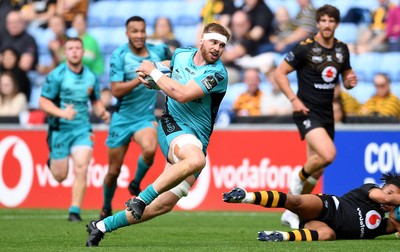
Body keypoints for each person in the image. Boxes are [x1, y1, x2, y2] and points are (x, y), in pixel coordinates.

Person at [85, 22, 230, 247]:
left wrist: (153, 72)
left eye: (222, 45)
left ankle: (101, 226)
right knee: (196, 159)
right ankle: (142, 197)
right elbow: (168, 66)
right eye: (213, 42)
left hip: (196, 139)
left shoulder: (218, 74)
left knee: (162, 206)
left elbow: (181, 94)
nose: (217, 48)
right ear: (201, 40)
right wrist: (150, 70)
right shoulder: (181, 54)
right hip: (172, 125)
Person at [273, 5, 358, 229]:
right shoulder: (305, 48)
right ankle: (297, 178)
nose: (327, 25)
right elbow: (279, 73)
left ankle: (293, 210)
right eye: (323, 21)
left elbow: (346, 75)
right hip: (306, 111)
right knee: (328, 154)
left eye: (331, 21)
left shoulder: (342, 49)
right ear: (318, 23)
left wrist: (349, 81)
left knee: (318, 169)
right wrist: (294, 99)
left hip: (327, 113)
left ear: (336, 24)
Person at [99, 16, 171, 221]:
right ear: (127, 33)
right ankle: (105, 207)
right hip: (121, 118)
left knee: (149, 149)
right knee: (113, 171)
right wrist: (140, 77)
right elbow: (115, 90)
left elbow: (174, 61)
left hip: (144, 117)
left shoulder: (158, 51)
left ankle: (135, 182)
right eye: (134, 31)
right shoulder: (119, 55)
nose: (139, 35)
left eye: (142, 31)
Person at [38, 37, 110, 222]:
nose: (75, 51)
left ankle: (74, 211)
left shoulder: (91, 76)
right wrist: (61, 113)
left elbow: (94, 100)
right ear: (65, 52)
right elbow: (43, 102)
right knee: (60, 176)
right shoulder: (57, 75)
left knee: (82, 167)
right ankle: (52, 161)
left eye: (78, 48)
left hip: (82, 129)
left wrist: (102, 112)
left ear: (83, 52)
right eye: (70, 48)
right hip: (60, 128)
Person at [223, 171, 400, 241]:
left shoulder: (383, 225)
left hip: (326, 226)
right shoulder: (370, 189)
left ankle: (280, 236)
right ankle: (246, 196)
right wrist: (392, 199)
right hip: (329, 206)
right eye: (390, 192)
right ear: (382, 188)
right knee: (295, 201)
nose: (389, 197)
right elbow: (384, 199)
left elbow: (396, 225)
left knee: (327, 235)